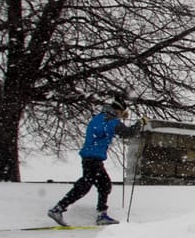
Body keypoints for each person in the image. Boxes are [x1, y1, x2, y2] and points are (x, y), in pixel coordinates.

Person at [48, 95, 141, 226]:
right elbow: (128, 133)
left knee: (104, 184)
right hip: (93, 158)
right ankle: (58, 209)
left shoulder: (99, 118)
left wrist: (120, 122)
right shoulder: (111, 121)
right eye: (122, 113)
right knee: (85, 185)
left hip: (89, 157)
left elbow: (113, 129)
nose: (121, 116)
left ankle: (101, 214)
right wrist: (140, 123)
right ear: (118, 110)